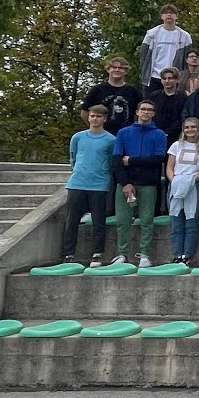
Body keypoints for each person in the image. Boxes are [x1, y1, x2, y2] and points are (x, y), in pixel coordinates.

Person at [111, 100, 168, 267]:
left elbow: (157, 159)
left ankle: (144, 254)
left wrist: (131, 160)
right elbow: (117, 160)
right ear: (137, 112)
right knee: (123, 220)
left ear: (153, 114)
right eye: (143, 109)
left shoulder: (159, 134)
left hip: (148, 183)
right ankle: (122, 253)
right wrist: (125, 182)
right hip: (126, 183)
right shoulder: (124, 133)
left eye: (150, 110)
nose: (146, 112)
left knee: (146, 220)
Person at [60, 105, 117, 267]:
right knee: (71, 221)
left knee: (98, 221)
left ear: (104, 119)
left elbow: (112, 162)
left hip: (99, 184)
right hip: (77, 183)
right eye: (92, 116)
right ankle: (69, 254)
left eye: (98, 116)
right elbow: (73, 157)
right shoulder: (78, 137)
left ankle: (97, 253)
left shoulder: (111, 140)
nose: (95, 119)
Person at [166, 117, 199, 265]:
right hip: (176, 185)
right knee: (176, 221)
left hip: (194, 186)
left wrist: (191, 181)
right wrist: (175, 181)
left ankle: (187, 255)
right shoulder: (176, 145)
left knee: (191, 221)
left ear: (198, 129)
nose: (190, 130)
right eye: (187, 127)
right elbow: (170, 167)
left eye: (193, 127)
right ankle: (177, 254)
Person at [138, 4, 192, 94]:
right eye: (166, 13)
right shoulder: (151, 34)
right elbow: (144, 56)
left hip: (175, 77)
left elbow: (187, 59)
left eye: (172, 13)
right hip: (154, 76)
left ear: (176, 16)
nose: (169, 15)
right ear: (161, 16)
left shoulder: (185, 36)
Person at [82, 56, 143, 135]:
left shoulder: (133, 91)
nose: (117, 70)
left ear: (126, 71)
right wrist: (95, 128)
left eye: (121, 68)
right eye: (114, 67)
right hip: (102, 135)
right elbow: (84, 112)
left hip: (127, 135)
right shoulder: (97, 90)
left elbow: (140, 114)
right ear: (108, 70)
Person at [148, 66, 185, 143]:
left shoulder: (183, 98)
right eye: (164, 78)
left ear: (177, 80)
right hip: (154, 133)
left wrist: (168, 133)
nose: (167, 81)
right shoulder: (154, 96)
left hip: (175, 136)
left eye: (170, 78)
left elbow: (181, 118)